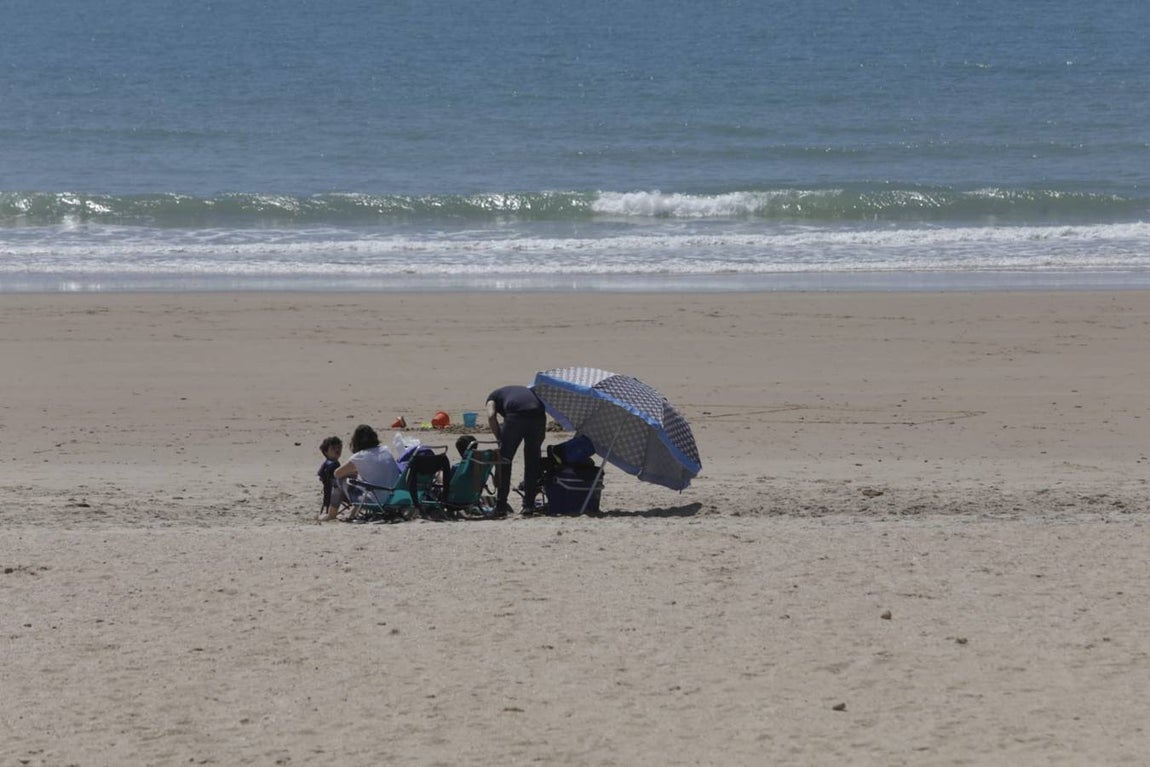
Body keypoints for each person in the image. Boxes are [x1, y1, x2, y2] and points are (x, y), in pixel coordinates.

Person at [486, 385, 546, 514]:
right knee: (532, 462)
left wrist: (499, 438)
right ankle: (529, 505)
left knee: (504, 460)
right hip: (539, 415)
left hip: (516, 416)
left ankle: (501, 506)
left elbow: (491, 416)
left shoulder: (492, 398)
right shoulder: (523, 391)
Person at [324, 424, 401, 520]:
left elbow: (337, 473)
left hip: (377, 501)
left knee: (339, 480)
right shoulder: (385, 450)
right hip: (394, 498)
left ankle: (331, 515)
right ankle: (352, 513)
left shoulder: (359, 457)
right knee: (364, 482)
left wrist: (351, 473)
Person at [316, 436, 343, 521]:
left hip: (327, 493)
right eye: (333, 448)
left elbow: (320, 474)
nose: (337, 450)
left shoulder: (326, 463)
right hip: (335, 493)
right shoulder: (334, 464)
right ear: (326, 452)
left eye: (339, 447)